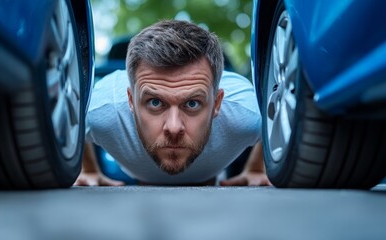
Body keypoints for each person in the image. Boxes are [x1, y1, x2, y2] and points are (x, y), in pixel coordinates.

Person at [75, 20, 271, 186]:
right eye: (155, 102)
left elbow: (270, 125)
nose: (174, 127)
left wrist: (257, 167)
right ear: (130, 101)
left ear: (217, 103)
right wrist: (88, 169)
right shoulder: (102, 110)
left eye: (192, 104)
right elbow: (79, 123)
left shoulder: (246, 113)